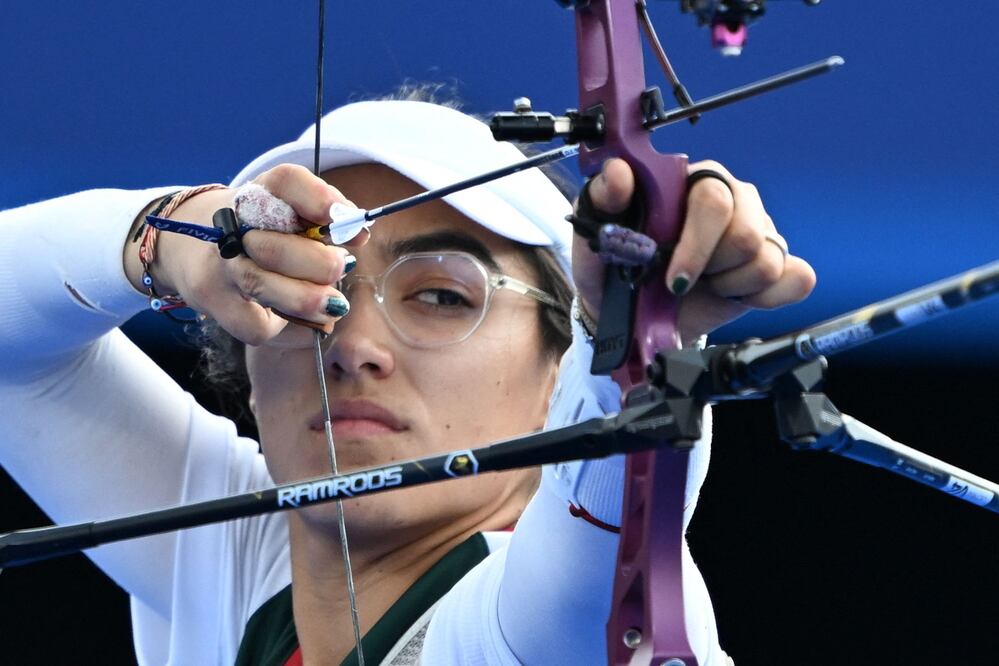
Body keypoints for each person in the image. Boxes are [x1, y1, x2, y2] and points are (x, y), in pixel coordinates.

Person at [0, 97, 814, 665]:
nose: (354, 345)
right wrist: (165, 235)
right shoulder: (231, 562)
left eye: (438, 295)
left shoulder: (531, 627)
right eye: (309, 293)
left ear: (554, 358)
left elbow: (606, 521)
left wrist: (634, 334)